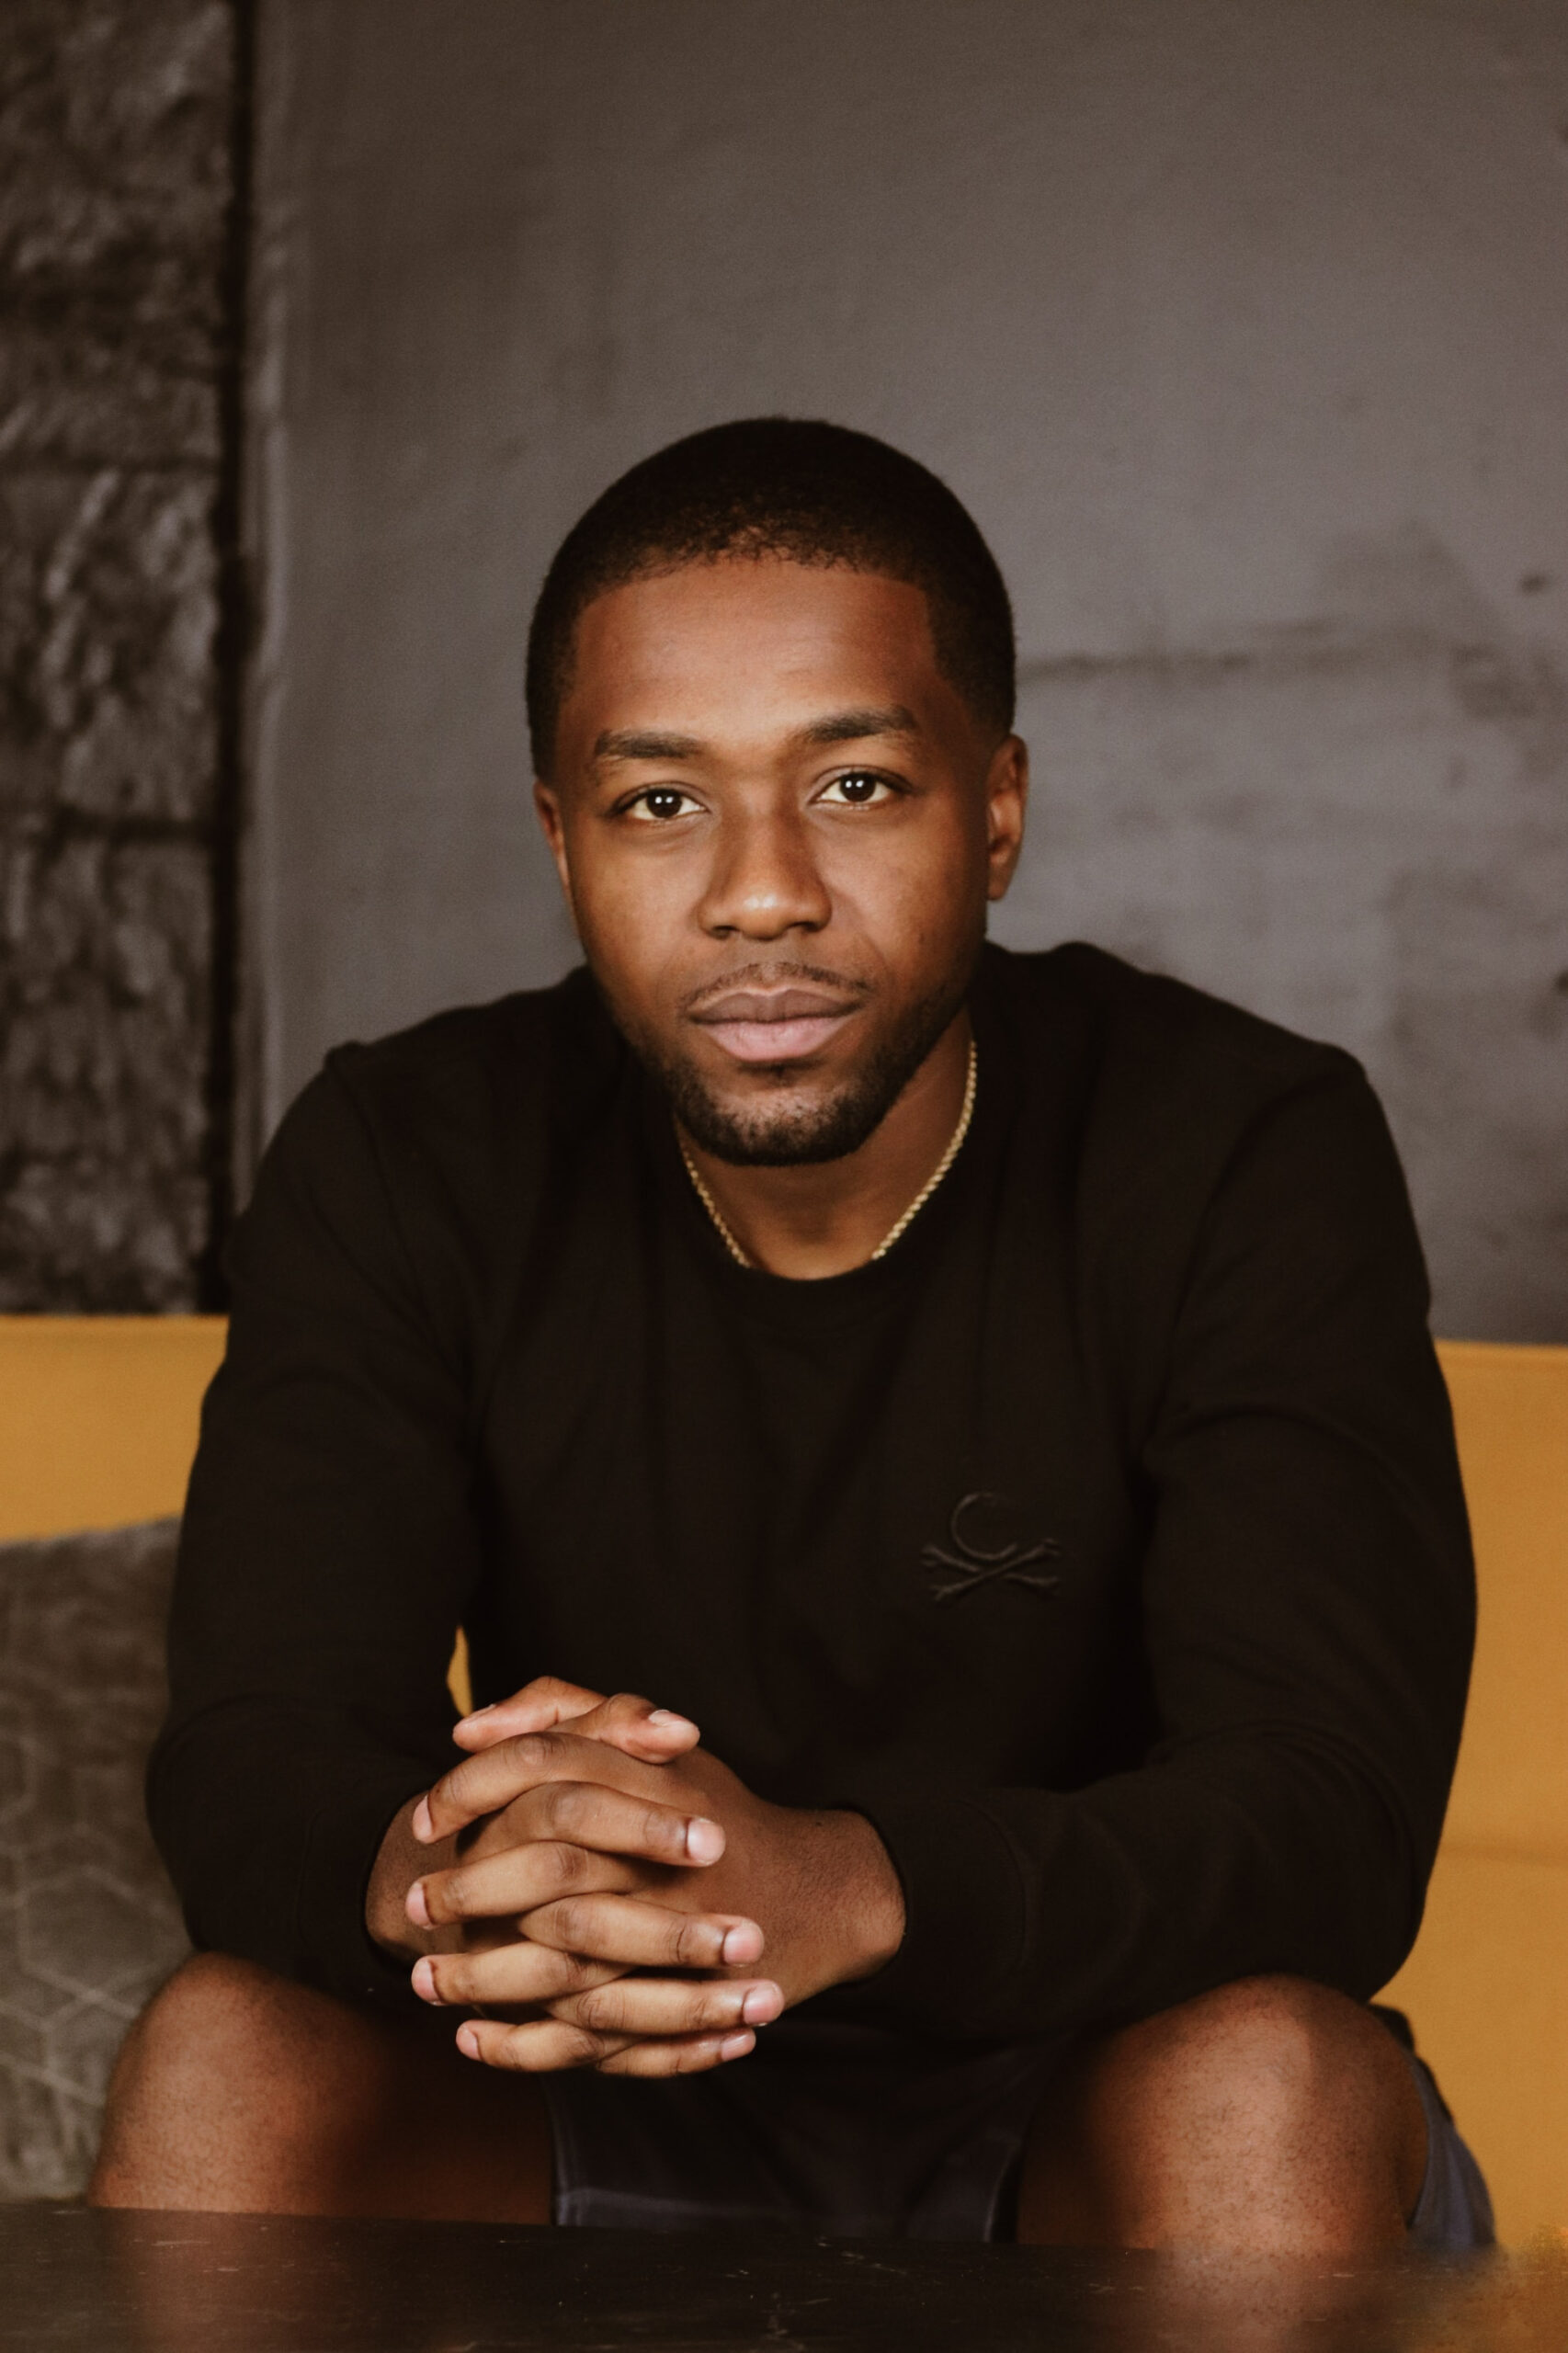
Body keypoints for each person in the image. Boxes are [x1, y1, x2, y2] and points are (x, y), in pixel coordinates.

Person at [92, 420, 1491, 2252]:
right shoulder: (407, 1154)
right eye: (659, 803)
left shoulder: (1237, 1145)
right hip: (588, 2084)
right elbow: (257, 1748)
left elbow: (1324, 1815)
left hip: (1088, 2092)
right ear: (560, 836)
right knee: (229, 2062)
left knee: (1262, 2087)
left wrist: (852, 1882)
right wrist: (477, 1861)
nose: (761, 891)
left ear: (994, 810)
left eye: (854, 785)